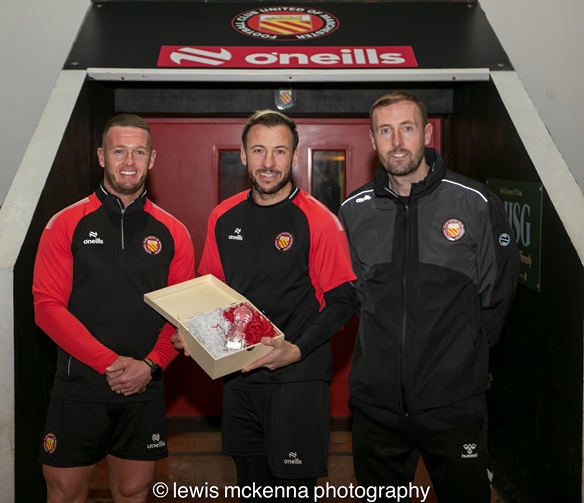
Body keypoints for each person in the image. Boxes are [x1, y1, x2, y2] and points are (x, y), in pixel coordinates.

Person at [338, 91, 519, 503]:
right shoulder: (353, 211)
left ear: (427, 133)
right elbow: (354, 297)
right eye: (385, 130)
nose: (397, 141)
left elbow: (497, 295)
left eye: (407, 128)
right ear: (372, 139)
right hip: (377, 409)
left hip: (454, 405)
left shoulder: (474, 202)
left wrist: (461, 359)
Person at [172, 110, 356, 502]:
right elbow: (212, 294)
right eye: (258, 150)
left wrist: (297, 349)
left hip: (298, 379)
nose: (268, 162)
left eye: (279, 151)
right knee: (251, 489)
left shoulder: (318, 219)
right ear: (243, 154)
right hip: (239, 379)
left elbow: (343, 301)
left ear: (294, 156)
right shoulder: (223, 217)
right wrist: (193, 332)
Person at [32, 113, 195, 503]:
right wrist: (110, 363)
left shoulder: (174, 232)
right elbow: (47, 308)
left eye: (139, 152)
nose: (129, 162)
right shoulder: (65, 223)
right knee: (64, 493)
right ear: (101, 156)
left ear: (152, 159)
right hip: (79, 388)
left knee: (133, 490)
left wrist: (150, 366)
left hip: (143, 386)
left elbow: (182, 316)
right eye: (119, 151)